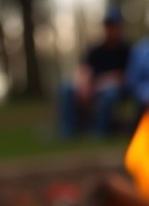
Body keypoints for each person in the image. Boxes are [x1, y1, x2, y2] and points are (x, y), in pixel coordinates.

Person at [57, 7, 131, 138]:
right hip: (93, 87)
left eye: (114, 25)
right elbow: (84, 69)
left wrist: (100, 82)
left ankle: (99, 132)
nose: (111, 29)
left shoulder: (127, 50)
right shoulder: (96, 50)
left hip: (115, 89)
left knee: (109, 93)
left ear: (120, 27)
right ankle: (68, 131)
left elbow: (126, 75)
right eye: (108, 25)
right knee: (66, 88)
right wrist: (83, 86)